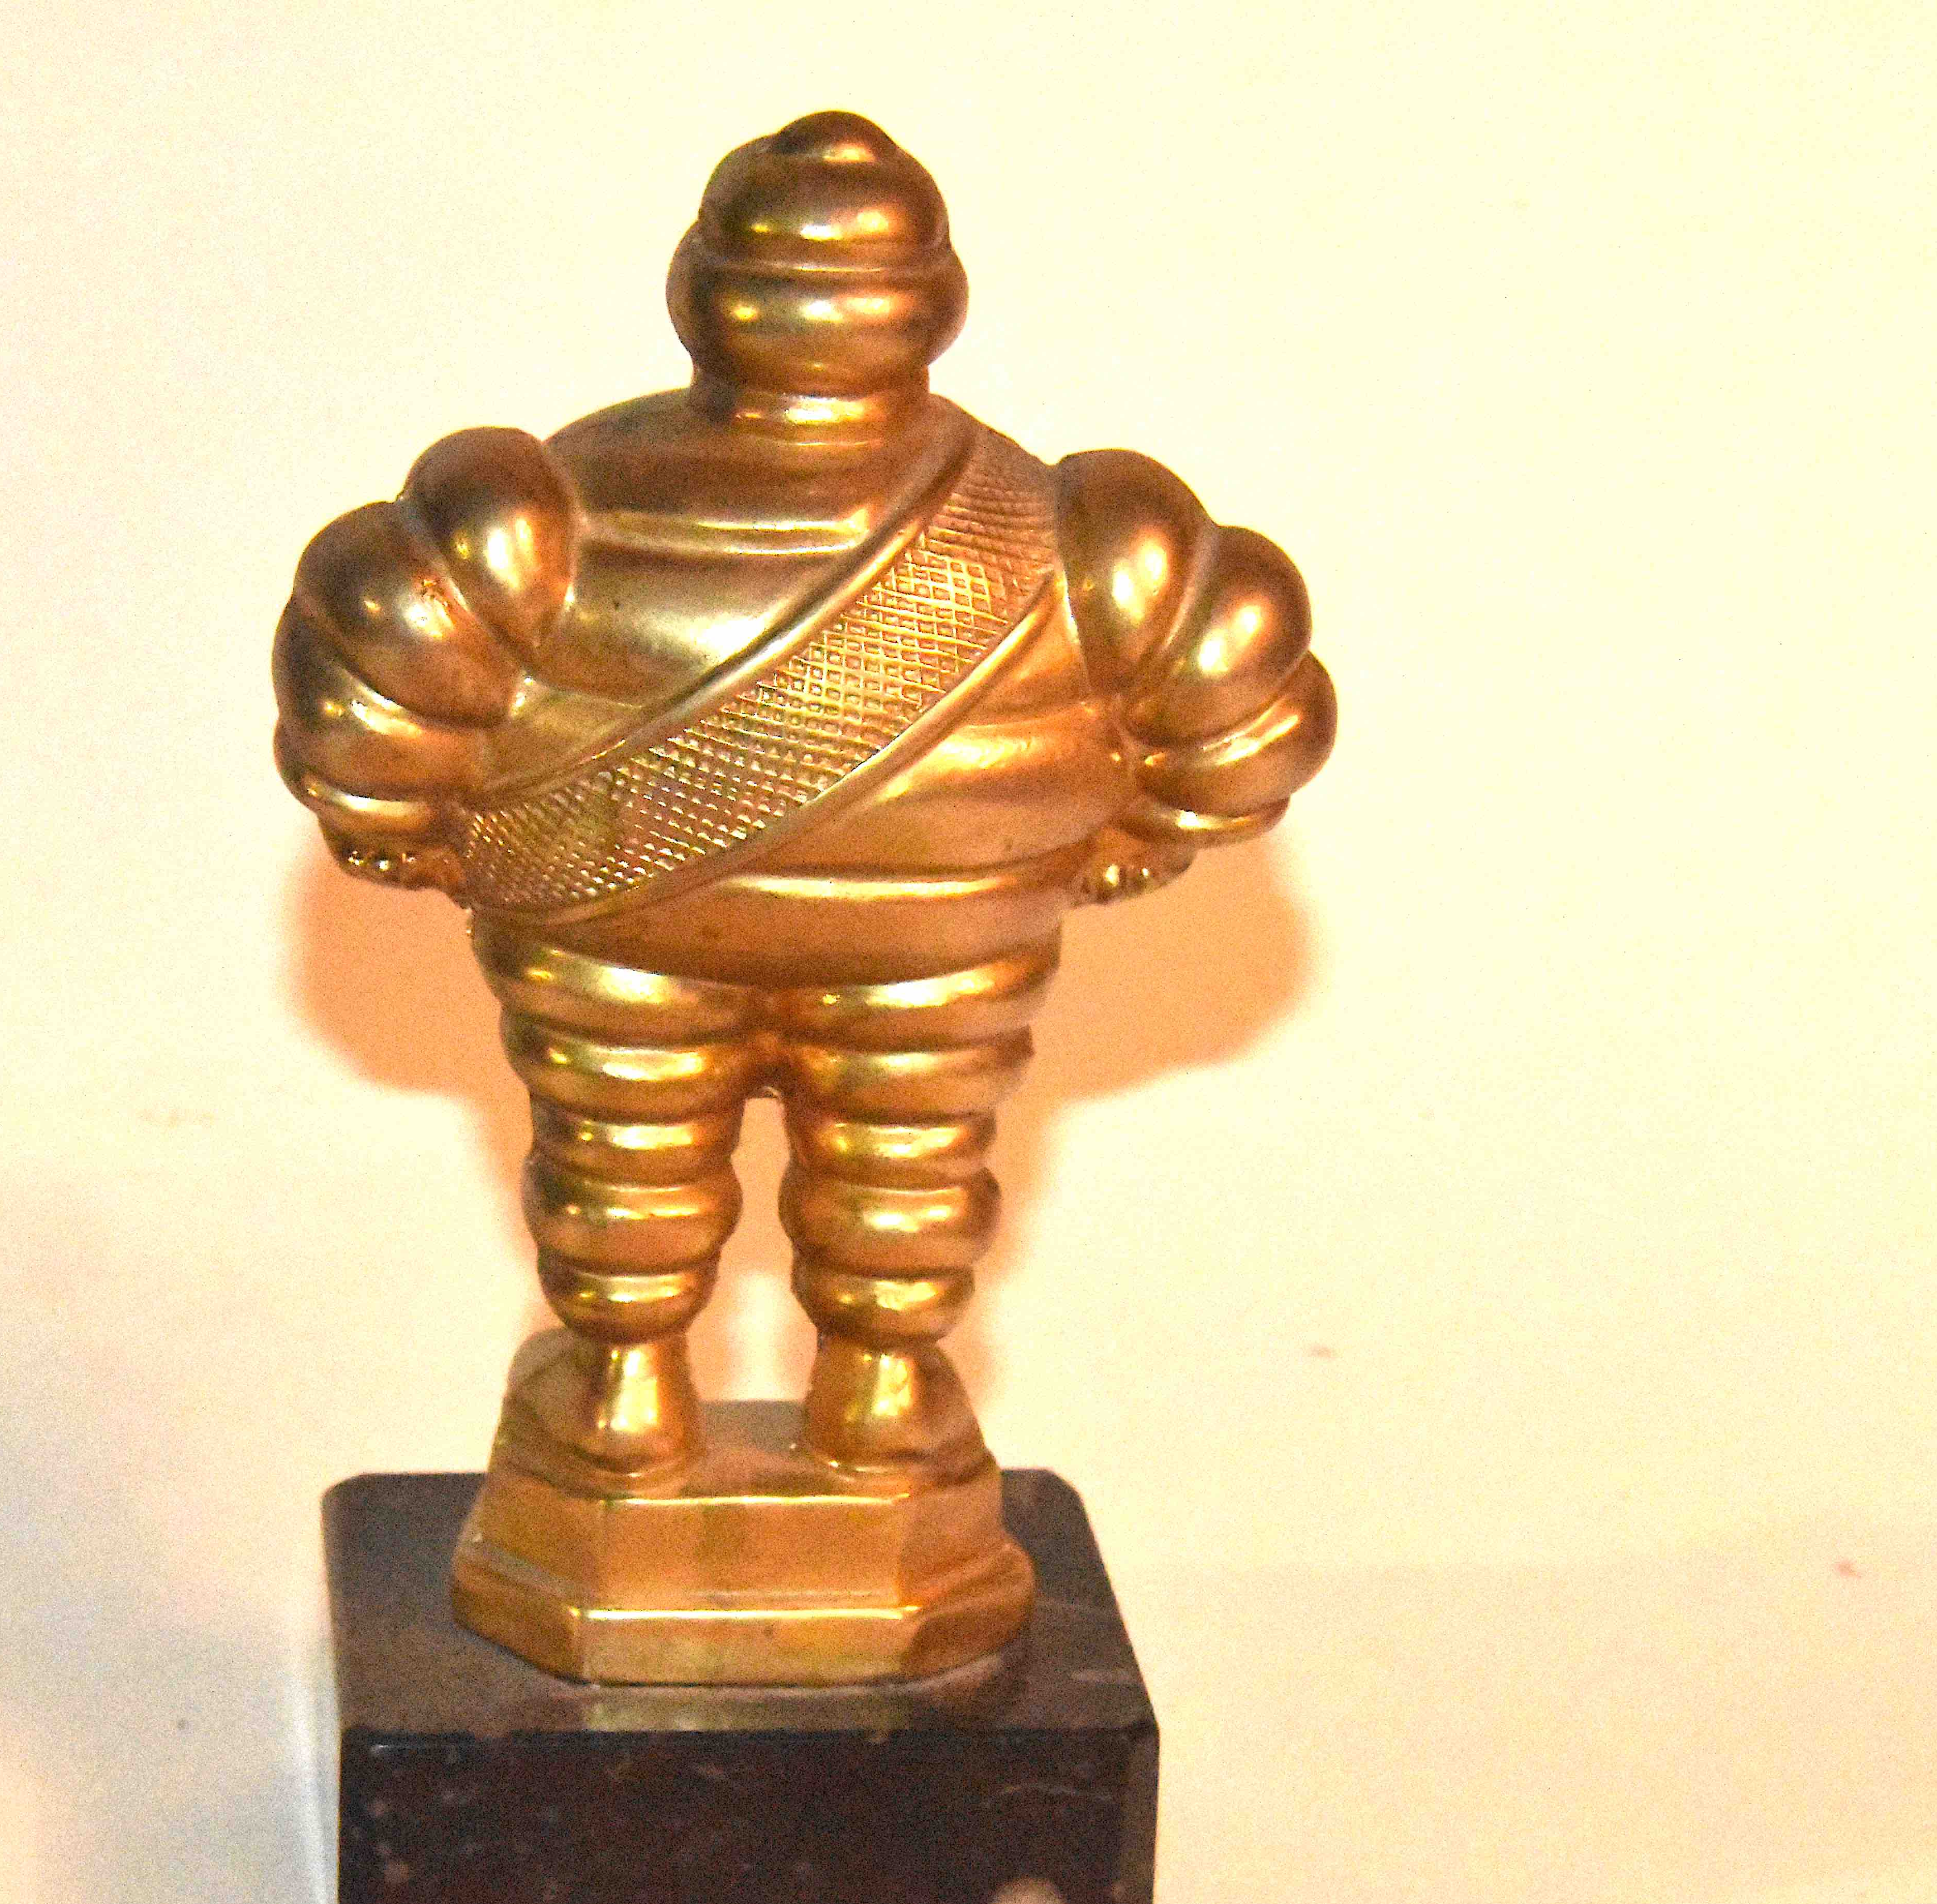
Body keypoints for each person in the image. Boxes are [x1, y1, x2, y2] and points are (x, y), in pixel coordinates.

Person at [274, 110, 1333, 1493]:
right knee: (910, 1163)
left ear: (700, 290)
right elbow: (1241, 704)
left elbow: (375, 676)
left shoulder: (539, 505)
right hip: (941, 942)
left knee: (624, 1152)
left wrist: (423, 840)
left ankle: (623, 1394)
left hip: (620, 937)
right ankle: (883, 1398)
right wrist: (1115, 849)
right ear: (934, 301)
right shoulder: (1086, 531)